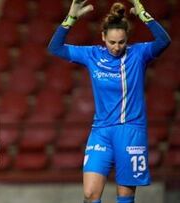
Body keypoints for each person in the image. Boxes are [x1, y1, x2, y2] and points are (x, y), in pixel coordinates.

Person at [48, 0, 170, 202]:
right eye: (112, 42)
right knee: (90, 194)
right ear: (103, 37)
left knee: (124, 197)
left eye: (121, 42)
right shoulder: (93, 54)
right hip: (101, 131)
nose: (116, 47)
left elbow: (163, 41)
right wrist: (70, 19)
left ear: (127, 39)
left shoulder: (138, 54)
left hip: (130, 130)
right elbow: (55, 48)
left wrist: (143, 15)